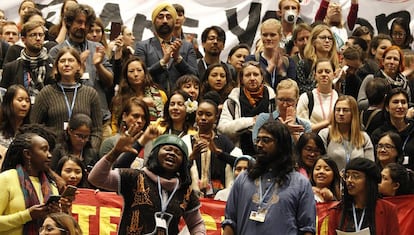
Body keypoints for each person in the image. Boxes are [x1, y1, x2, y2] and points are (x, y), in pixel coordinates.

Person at [88, 133, 206, 234]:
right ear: (155, 153)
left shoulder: (185, 192)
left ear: (183, 162)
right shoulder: (134, 177)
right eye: (167, 149)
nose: (172, 154)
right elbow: (96, 178)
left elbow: (196, 224)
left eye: (178, 153)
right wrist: (115, 152)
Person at [222, 121, 316, 235]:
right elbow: (230, 221)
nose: (259, 145)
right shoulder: (243, 179)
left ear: (281, 145)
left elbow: (307, 229)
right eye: (258, 140)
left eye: (266, 140)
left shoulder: (300, 184)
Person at [49, 4, 113, 137]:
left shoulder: (97, 48)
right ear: (69, 23)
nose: (83, 27)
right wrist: (78, 67)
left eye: (87, 23)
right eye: (79, 22)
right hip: (70, 121)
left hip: (100, 121)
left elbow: (109, 82)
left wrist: (99, 65)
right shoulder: (56, 51)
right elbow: (54, 83)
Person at [30, 47, 103, 151]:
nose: (66, 64)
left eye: (71, 60)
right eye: (62, 61)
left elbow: (97, 130)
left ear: (79, 65)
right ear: (57, 66)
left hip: (82, 154)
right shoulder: (46, 93)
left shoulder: (90, 94)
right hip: (52, 153)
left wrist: (90, 151)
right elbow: (34, 127)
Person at [0, 132, 63, 235]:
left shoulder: (51, 185)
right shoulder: (6, 179)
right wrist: (27, 215)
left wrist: (56, 213)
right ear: (27, 154)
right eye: (44, 150)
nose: (50, 155)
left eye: (49, 150)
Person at [135, 2, 198, 94]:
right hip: (152, 100)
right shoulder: (143, 46)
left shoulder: (186, 46)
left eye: (168, 17)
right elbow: (139, 75)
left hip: (180, 103)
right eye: (160, 17)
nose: (165, 21)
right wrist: (162, 62)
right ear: (154, 21)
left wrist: (178, 59)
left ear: (174, 21)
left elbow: (195, 76)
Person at [183, 98, 241, 197]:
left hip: (219, 196)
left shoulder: (223, 141)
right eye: (200, 114)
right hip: (192, 196)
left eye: (208, 115)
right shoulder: (187, 140)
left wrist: (219, 153)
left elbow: (240, 163)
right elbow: (178, 170)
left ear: (216, 118)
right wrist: (192, 156)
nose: (203, 118)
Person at [327, 158, 400, 235]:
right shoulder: (337, 211)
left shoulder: (388, 210)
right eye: (347, 176)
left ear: (369, 180)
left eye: (355, 176)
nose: (349, 180)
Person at [218, 61, 276, 155]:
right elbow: (223, 128)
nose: (252, 78)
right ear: (241, 78)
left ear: (262, 77)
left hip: (269, 154)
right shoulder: (232, 101)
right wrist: (251, 121)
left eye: (256, 74)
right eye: (248, 75)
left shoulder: (273, 99)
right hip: (241, 154)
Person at [318, 96, 374, 172]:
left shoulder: (364, 137)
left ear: (353, 113)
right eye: (338, 110)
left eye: (345, 110)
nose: (341, 113)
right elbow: (319, 164)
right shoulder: (325, 134)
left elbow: (370, 167)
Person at [1, 21, 54, 100]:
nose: (38, 38)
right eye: (33, 35)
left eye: (41, 35)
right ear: (23, 39)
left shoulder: (52, 65)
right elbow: (4, 97)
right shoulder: (11, 68)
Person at [110, 56, 166, 131]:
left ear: (145, 73)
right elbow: (115, 125)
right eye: (131, 71)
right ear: (126, 75)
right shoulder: (118, 100)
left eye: (139, 70)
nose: (136, 74)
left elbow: (166, 119)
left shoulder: (160, 94)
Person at [252, 78, 311, 143]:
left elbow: (304, 151)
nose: (285, 105)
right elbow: (256, 144)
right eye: (281, 100)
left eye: (289, 100)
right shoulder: (264, 119)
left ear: (297, 100)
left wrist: (294, 133)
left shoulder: (305, 125)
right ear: (276, 99)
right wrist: (283, 131)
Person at [245, 19, 296, 90]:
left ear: (280, 36)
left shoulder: (288, 62)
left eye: (272, 35)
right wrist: (269, 69)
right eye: (265, 35)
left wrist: (281, 71)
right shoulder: (251, 60)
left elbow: (291, 88)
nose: (268, 38)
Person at [371, 88, 414, 170]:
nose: (400, 106)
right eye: (395, 102)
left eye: (403, 102)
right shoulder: (378, 134)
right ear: (387, 107)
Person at [297, 58, 339, 132]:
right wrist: (327, 122)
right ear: (315, 75)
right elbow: (302, 128)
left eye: (327, 71)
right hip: (313, 140)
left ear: (334, 75)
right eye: (320, 72)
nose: (323, 74)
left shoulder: (340, 98)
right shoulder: (306, 97)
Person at [296, 24, 339, 94]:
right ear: (313, 41)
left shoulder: (336, 65)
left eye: (330, 38)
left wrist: (338, 81)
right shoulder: (304, 64)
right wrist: (321, 86)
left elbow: (341, 93)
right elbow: (300, 89)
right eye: (323, 38)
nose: (327, 41)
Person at [0, 85, 30, 149]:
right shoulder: (1, 129)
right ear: (9, 102)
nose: (24, 104)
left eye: (27, 101)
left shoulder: (30, 132)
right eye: (20, 100)